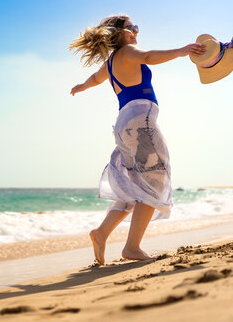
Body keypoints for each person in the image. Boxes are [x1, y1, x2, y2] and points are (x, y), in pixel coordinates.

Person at [69, 14, 206, 265]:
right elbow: (148, 56)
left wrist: (81, 86)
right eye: (131, 28)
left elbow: (96, 79)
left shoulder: (110, 63)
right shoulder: (129, 51)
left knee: (135, 186)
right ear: (118, 33)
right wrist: (182, 50)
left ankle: (101, 233)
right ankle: (132, 247)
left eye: (137, 28)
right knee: (154, 180)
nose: (135, 32)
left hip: (124, 126)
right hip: (140, 121)